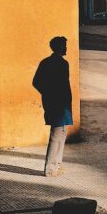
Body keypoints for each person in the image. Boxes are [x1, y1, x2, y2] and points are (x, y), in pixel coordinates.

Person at [32, 36, 72, 177]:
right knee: (56, 136)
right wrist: (52, 94)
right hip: (59, 105)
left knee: (61, 134)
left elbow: (36, 82)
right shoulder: (61, 64)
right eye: (64, 45)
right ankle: (50, 168)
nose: (66, 48)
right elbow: (40, 82)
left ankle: (57, 164)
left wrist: (48, 94)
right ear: (58, 47)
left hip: (59, 104)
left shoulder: (47, 62)